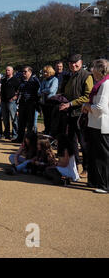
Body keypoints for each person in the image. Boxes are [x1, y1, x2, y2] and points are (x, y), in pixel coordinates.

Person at [58, 54, 93, 178]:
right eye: (71, 63)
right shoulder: (70, 76)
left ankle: (87, 168)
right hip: (70, 113)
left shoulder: (87, 76)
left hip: (81, 114)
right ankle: (75, 166)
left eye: (76, 62)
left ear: (81, 62)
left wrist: (70, 104)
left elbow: (88, 96)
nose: (73, 65)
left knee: (83, 142)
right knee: (72, 142)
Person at [82, 59, 109, 193]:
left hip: (102, 124)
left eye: (93, 68)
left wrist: (86, 106)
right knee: (93, 154)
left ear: (99, 70)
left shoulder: (106, 84)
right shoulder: (100, 84)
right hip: (94, 124)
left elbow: (101, 108)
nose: (91, 70)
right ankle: (94, 181)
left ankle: (104, 185)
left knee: (102, 156)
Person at [12, 66, 40, 143]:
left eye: (25, 71)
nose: (23, 73)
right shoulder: (22, 81)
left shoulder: (34, 81)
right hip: (22, 104)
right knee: (21, 122)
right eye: (23, 71)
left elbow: (38, 93)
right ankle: (20, 138)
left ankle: (30, 140)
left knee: (30, 123)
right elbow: (19, 92)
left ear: (30, 72)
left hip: (31, 104)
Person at [0, 66, 20, 140]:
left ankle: (15, 134)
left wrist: (15, 97)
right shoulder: (3, 80)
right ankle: (7, 134)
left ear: (12, 71)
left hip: (12, 102)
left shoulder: (16, 80)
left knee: (14, 119)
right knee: (5, 119)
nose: (7, 71)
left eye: (8, 70)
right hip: (3, 102)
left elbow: (19, 90)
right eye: (6, 70)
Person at [39, 65, 58, 135]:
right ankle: (46, 132)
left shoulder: (55, 79)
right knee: (46, 119)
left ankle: (51, 134)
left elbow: (51, 90)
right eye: (44, 72)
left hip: (52, 102)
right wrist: (43, 91)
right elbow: (39, 91)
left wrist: (43, 91)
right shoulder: (44, 80)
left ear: (49, 72)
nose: (44, 73)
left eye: (45, 72)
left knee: (51, 119)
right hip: (44, 102)